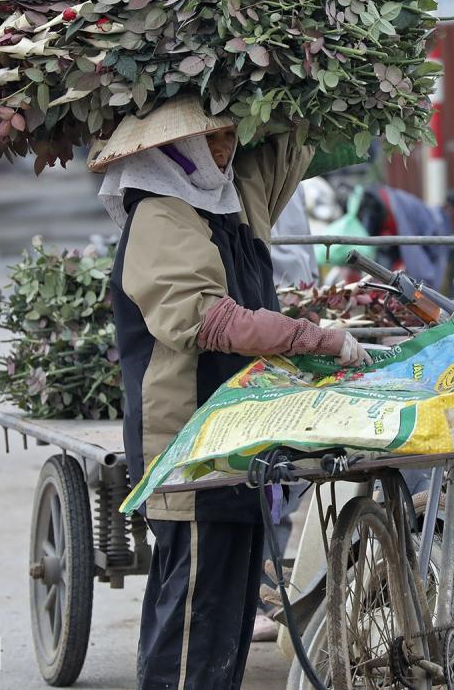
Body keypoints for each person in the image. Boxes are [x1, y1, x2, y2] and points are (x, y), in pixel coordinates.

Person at [91, 94, 369, 690]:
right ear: (171, 152)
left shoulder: (231, 206)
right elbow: (211, 322)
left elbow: (287, 148)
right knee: (196, 617)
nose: (225, 147)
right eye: (207, 139)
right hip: (190, 444)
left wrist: (311, 79)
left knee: (229, 619)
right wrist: (315, 338)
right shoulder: (161, 217)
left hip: (237, 438)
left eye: (227, 134)